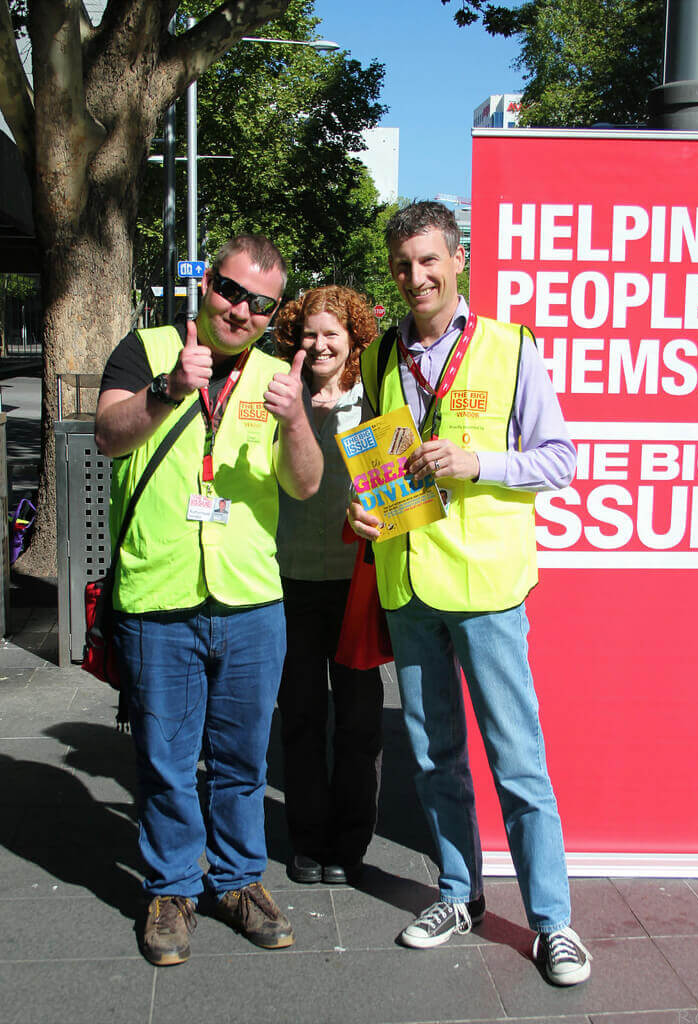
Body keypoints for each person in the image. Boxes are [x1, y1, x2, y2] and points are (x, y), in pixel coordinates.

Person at [348, 202, 592, 987]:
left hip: (486, 586)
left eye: (427, 260)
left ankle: (552, 922)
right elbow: (384, 468)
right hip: (408, 581)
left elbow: (559, 459)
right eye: (400, 264)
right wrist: (366, 511)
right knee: (433, 757)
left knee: (517, 761)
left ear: (458, 261)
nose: (414, 276)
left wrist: (479, 464)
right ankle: (459, 894)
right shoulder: (383, 354)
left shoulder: (510, 348)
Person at [94, 234, 323, 967]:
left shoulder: (274, 378)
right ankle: (168, 887)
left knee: (241, 760)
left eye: (261, 303)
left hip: (251, 600)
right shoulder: (147, 347)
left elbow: (306, 484)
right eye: (229, 290)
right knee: (164, 758)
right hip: (160, 594)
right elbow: (106, 435)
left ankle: (237, 881)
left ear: (272, 314)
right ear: (205, 283)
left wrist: (294, 421)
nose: (239, 309)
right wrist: (165, 389)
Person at [274, 285, 384, 886]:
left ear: (353, 340)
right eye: (310, 333)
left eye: (331, 335)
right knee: (301, 714)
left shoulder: (369, 403)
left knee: (359, 719)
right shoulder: (281, 394)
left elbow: (393, 488)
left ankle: (351, 841)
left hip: (354, 585)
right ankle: (307, 838)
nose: (319, 344)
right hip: (289, 577)